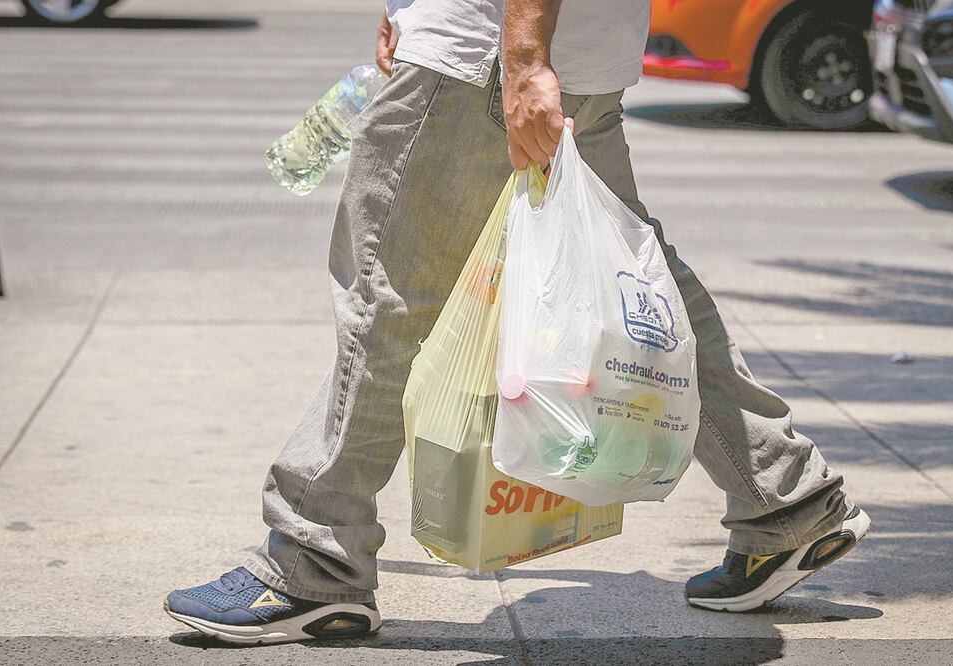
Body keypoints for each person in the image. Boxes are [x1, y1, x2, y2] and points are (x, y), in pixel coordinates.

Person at [163, 0, 870, 645]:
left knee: (389, 299)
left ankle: (314, 557)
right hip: (571, 58)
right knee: (635, 288)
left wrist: (524, 56)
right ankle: (784, 496)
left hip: (484, 56)